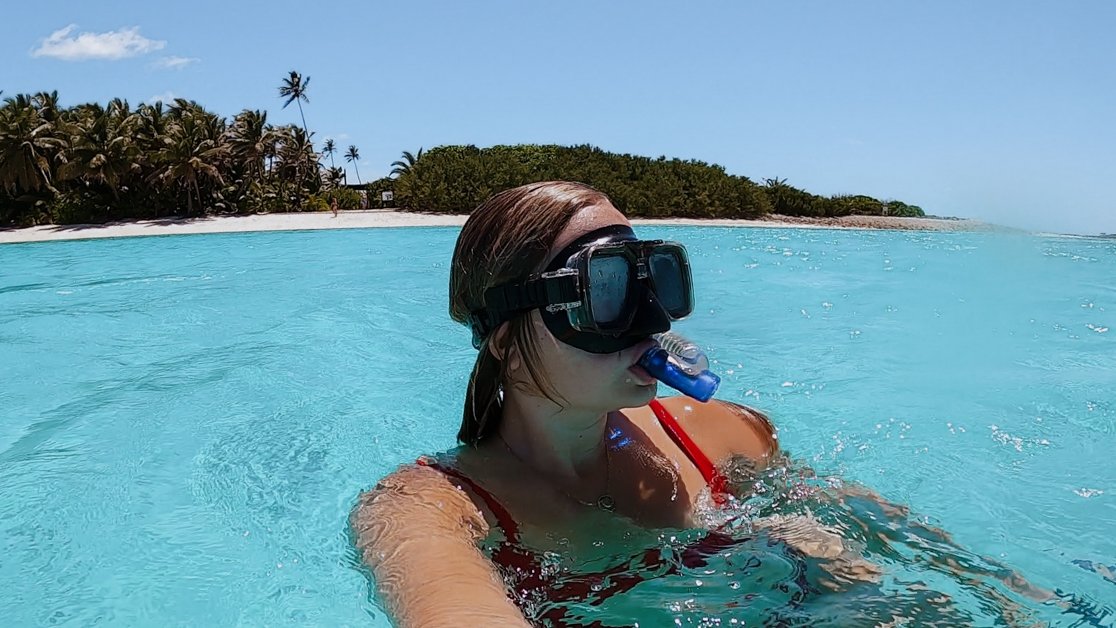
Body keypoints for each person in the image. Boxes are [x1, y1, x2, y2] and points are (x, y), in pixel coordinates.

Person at [350, 182, 1063, 627]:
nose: (653, 320)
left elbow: (899, 539)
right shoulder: (426, 509)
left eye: (655, 282)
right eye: (608, 292)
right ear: (506, 338)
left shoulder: (723, 436)